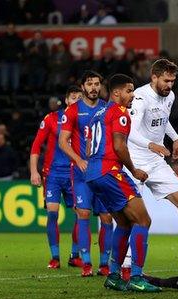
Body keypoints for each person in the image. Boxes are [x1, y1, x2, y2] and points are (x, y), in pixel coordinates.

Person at [123, 59, 178, 275]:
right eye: (166, 80)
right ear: (154, 77)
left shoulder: (169, 96)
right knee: (134, 216)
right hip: (134, 162)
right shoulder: (140, 98)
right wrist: (153, 145)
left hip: (156, 161)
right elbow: (129, 132)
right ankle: (125, 266)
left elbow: (163, 119)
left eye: (172, 81)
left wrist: (176, 138)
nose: (169, 85)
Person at [85, 74, 160, 292]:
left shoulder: (96, 113)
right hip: (109, 171)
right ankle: (136, 276)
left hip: (93, 174)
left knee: (125, 223)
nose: (133, 95)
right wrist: (135, 170)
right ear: (116, 93)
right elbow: (119, 146)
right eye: (129, 90)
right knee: (143, 220)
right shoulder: (119, 112)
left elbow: (89, 148)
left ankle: (114, 275)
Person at [58, 71, 114, 277]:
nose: (93, 87)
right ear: (82, 87)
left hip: (103, 171)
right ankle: (87, 263)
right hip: (81, 172)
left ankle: (105, 264)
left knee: (107, 217)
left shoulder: (108, 108)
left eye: (97, 84)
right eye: (89, 84)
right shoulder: (72, 111)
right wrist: (78, 159)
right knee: (83, 214)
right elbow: (62, 141)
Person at [30, 86, 83, 269]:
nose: (77, 100)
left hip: (75, 174)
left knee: (81, 214)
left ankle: (74, 255)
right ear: (67, 100)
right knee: (52, 213)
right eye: (74, 97)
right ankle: (55, 257)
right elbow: (36, 146)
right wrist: (34, 171)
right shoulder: (52, 118)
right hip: (52, 174)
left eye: (80, 97)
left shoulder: (86, 120)